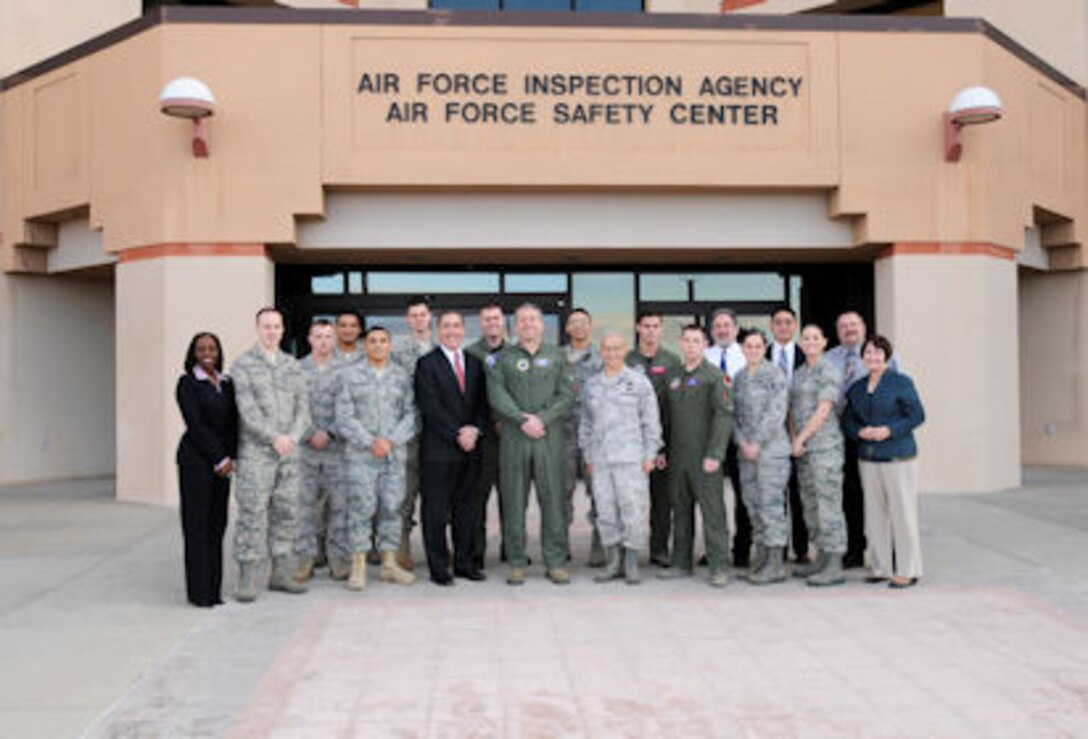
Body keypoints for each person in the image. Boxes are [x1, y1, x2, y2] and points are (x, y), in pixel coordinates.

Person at [486, 303, 574, 585]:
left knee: (553, 500)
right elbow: (496, 394)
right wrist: (520, 420)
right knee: (513, 500)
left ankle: (556, 561)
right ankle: (516, 561)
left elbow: (566, 394)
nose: (528, 325)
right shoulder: (503, 358)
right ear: (515, 326)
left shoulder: (558, 355)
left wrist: (543, 419)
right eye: (522, 320)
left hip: (549, 438)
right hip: (514, 437)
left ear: (542, 324)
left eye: (533, 320)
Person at [231, 308, 311, 602]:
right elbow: (247, 411)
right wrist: (273, 437)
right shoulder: (243, 365)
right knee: (252, 514)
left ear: (282, 329)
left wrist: (292, 436)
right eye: (266, 326)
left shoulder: (293, 365)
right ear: (257, 328)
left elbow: (304, 407)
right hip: (257, 455)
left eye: (276, 326)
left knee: (286, 513)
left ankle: (280, 573)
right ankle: (247, 577)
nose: (272, 331)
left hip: (290, 453)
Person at [841, 335, 926, 589]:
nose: (873, 357)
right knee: (875, 514)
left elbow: (917, 415)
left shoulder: (901, 382)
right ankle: (880, 566)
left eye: (878, 353)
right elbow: (847, 420)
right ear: (862, 357)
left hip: (898, 457)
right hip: (869, 458)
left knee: (903, 514)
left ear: (886, 357)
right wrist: (859, 432)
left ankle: (908, 569)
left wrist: (889, 430)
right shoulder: (857, 387)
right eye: (868, 353)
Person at [336, 326, 418, 590]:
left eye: (384, 340)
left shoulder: (402, 377)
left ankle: (389, 563)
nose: (379, 345)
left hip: (393, 455)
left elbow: (413, 415)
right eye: (373, 341)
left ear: (390, 345)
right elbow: (344, 418)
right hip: (361, 456)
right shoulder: (350, 376)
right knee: (361, 508)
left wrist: (391, 441)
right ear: (365, 346)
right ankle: (358, 565)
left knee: (392, 508)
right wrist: (370, 441)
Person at [579, 332, 662, 585]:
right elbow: (586, 422)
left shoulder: (638, 382)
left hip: (631, 460)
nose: (612, 353)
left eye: (616, 348)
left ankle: (631, 562)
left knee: (632, 510)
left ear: (625, 350)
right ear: (601, 352)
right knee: (605, 512)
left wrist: (650, 455)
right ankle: (612, 560)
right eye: (607, 349)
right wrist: (588, 455)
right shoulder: (592, 384)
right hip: (601, 459)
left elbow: (651, 422)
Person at [415, 311, 488, 585]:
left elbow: (483, 403)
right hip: (438, 451)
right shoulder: (426, 364)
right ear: (437, 331)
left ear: (463, 330)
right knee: (435, 512)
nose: (452, 331)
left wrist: (475, 430)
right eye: (446, 326)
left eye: (457, 326)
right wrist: (457, 433)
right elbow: (430, 407)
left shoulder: (475, 363)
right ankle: (438, 568)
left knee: (466, 511)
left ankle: (465, 564)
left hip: (470, 450)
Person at [825, 310, 902, 569]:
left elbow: (902, 392)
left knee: (884, 495)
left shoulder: (882, 356)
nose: (849, 329)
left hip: (878, 437)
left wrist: (889, 429)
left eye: (854, 324)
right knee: (851, 496)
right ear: (837, 331)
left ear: (864, 326)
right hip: (844, 436)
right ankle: (856, 550)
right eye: (843, 325)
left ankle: (893, 552)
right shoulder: (829, 358)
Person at [658, 325, 733, 588]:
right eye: (687, 341)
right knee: (680, 511)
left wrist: (715, 453)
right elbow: (664, 418)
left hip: (705, 458)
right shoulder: (672, 376)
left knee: (713, 513)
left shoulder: (715, 376)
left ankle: (719, 565)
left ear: (704, 345)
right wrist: (661, 450)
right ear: (681, 344)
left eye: (696, 341)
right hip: (678, 457)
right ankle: (680, 562)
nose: (691, 346)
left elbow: (724, 417)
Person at [175, 332, 238, 608]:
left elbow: (234, 423)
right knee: (197, 527)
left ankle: (214, 591)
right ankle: (199, 594)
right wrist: (218, 458)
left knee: (217, 525)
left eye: (212, 348)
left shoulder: (227, 383)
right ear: (193, 353)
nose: (207, 352)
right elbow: (196, 425)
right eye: (201, 349)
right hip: (196, 462)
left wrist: (231, 457)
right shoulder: (187, 383)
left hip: (223, 464)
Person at [788, 324, 847, 587]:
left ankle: (834, 563)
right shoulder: (799, 373)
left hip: (824, 448)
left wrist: (801, 438)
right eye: (806, 338)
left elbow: (824, 410)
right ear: (800, 344)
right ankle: (821, 556)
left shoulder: (828, 370)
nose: (810, 342)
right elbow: (791, 410)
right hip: (802, 450)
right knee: (810, 505)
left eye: (815, 337)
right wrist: (793, 438)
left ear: (824, 342)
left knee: (828, 505)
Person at [624, 310, 682, 568]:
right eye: (646, 326)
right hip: (628, 442)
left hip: (660, 443)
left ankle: (659, 549)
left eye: (655, 326)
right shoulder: (626, 359)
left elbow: (675, 405)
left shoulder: (671, 360)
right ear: (638, 327)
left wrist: (663, 448)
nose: (650, 331)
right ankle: (629, 551)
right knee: (629, 500)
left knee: (662, 501)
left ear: (661, 329)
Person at [734, 329, 791, 585]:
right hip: (746, 454)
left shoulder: (774, 374)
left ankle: (776, 563)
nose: (753, 350)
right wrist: (742, 442)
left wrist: (756, 442)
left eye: (758, 346)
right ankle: (762, 557)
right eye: (749, 346)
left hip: (771, 453)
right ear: (742, 349)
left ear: (765, 348)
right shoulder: (739, 377)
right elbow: (732, 414)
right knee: (753, 506)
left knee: (770, 507)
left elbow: (776, 413)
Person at [295, 320, 350, 582]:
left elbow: (351, 409)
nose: (324, 341)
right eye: (318, 336)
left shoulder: (347, 371)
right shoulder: (296, 370)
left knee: (339, 506)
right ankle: (305, 558)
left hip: (337, 450)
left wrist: (329, 432)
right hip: (305, 452)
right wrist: (309, 433)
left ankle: (338, 559)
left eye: (329, 336)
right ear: (309, 339)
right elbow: (292, 409)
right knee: (304, 506)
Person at [704, 307, 752, 567]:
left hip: (740, 437)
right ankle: (715, 548)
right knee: (711, 496)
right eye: (717, 326)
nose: (722, 330)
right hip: (711, 437)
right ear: (712, 331)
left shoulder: (747, 356)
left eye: (726, 325)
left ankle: (742, 549)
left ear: (735, 328)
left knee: (743, 496)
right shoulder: (703, 356)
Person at [392, 295, 436, 571]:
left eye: (423, 314)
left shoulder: (442, 347)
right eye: (414, 315)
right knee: (405, 493)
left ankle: (437, 548)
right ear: (408, 320)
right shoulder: (397, 352)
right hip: (408, 434)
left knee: (437, 494)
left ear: (430, 317)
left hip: (438, 433)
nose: (419, 319)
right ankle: (401, 548)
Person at [465, 301, 508, 569]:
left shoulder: (516, 352)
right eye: (487, 320)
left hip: (511, 436)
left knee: (511, 498)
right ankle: (476, 551)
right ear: (481, 324)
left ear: (503, 322)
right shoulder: (470, 353)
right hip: (482, 439)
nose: (492, 323)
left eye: (496, 319)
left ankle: (511, 548)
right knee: (477, 499)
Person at [766, 305, 810, 564]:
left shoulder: (808, 354)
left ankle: (801, 549)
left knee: (799, 493)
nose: (783, 327)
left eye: (788, 322)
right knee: (774, 494)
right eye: (778, 323)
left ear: (795, 326)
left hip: (801, 434)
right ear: (772, 326)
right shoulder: (764, 354)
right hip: (772, 435)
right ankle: (778, 548)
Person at [563, 308, 605, 566]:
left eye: (583, 322)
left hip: (594, 437)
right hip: (563, 435)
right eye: (574, 322)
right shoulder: (556, 358)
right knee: (561, 491)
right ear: (567, 327)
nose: (578, 327)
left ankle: (600, 545)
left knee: (599, 492)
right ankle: (559, 546)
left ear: (590, 326)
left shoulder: (602, 358)